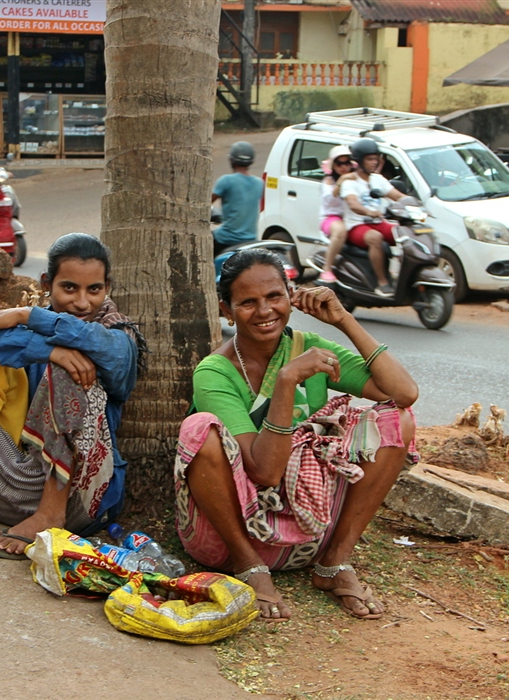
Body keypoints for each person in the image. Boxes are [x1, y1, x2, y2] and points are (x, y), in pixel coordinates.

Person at [174, 248, 418, 621]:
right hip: (229, 537)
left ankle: (334, 563)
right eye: (248, 303)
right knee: (198, 430)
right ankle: (250, 568)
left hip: (310, 531)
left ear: (291, 296)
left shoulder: (309, 350)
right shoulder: (215, 372)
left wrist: (344, 320)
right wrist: (287, 380)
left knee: (398, 420)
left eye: (275, 297)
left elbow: (403, 393)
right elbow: (265, 472)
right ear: (227, 310)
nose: (265, 311)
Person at [0, 233, 146, 559]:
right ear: (47, 283)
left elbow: (114, 354)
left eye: (94, 289)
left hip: (79, 499)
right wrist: (45, 349)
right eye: (69, 288)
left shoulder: (116, 333)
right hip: (4, 477)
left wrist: (27, 315)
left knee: (75, 368)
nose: (81, 302)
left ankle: (50, 513)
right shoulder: (35, 328)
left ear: (108, 287)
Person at [340, 138, 406, 298]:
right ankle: (382, 282)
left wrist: (415, 204)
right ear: (360, 161)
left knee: (404, 233)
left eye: (376, 158)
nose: (374, 162)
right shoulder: (350, 181)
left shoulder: (378, 179)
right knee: (376, 238)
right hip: (357, 226)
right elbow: (352, 203)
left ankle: (405, 278)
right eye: (370, 159)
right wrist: (369, 212)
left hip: (379, 222)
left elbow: (396, 195)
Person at [211, 141, 265, 257]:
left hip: (226, 238)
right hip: (251, 239)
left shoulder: (226, 181)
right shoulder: (259, 183)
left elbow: (205, 205)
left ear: (231, 160)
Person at [317, 145, 355, 284]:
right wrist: (341, 181)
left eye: (347, 163)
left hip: (354, 216)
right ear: (333, 165)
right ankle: (327, 269)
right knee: (340, 231)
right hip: (332, 218)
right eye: (340, 163)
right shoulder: (329, 181)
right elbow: (330, 200)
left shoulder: (355, 178)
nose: (344, 167)